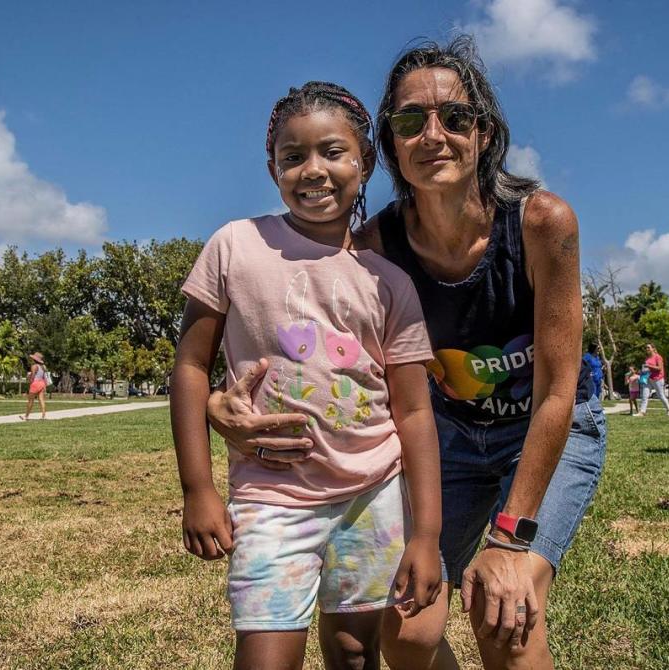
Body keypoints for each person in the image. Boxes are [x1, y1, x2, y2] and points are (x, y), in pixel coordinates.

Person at [206, 36, 606, 670]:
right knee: (407, 628)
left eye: (457, 117)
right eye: (411, 120)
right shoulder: (375, 248)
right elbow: (311, 350)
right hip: (449, 433)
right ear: (388, 144)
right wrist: (214, 401)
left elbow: (558, 394)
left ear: (485, 133)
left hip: (543, 430)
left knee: (505, 609)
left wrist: (510, 539)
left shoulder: (541, 223)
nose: (434, 134)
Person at [170, 82, 443, 670]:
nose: (313, 170)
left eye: (332, 152)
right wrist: (197, 488)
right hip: (272, 497)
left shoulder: (387, 282)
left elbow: (415, 413)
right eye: (293, 157)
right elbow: (191, 366)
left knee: (352, 651)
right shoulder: (235, 245)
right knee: (265, 656)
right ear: (272, 169)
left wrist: (425, 536)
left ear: (365, 162)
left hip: (371, 496)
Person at [639, 343, 669, 416]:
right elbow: (647, 368)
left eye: (648, 347)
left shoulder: (658, 357)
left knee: (660, 395)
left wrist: (648, 366)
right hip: (648, 378)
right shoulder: (647, 358)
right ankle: (642, 412)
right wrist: (642, 371)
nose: (647, 349)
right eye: (646, 348)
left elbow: (659, 368)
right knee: (645, 395)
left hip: (658, 379)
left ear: (653, 349)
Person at [20, 352, 47, 420]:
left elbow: (33, 376)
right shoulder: (43, 367)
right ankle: (43, 416)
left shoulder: (34, 366)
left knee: (30, 400)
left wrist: (30, 380)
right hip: (42, 383)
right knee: (41, 400)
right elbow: (44, 377)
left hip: (35, 383)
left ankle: (26, 416)